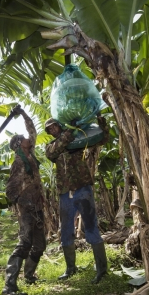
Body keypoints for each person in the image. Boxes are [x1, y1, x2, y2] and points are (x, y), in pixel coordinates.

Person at [45, 117, 108, 284]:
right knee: (66, 230)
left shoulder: (78, 138)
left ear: (59, 125)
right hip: (65, 192)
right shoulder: (51, 147)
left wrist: (102, 124)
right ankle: (70, 268)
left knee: (91, 226)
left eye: (54, 126)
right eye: (50, 129)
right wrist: (70, 130)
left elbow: (102, 139)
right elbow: (55, 150)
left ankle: (102, 269)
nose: (53, 130)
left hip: (82, 187)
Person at [2, 105, 46, 295]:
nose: (29, 139)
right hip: (27, 208)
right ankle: (9, 286)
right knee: (24, 243)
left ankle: (29, 276)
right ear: (20, 144)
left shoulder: (31, 156)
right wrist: (21, 202)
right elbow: (10, 189)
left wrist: (23, 114)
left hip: (37, 206)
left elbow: (32, 130)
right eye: (24, 138)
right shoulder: (19, 162)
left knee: (40, 244)